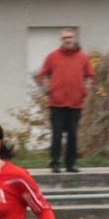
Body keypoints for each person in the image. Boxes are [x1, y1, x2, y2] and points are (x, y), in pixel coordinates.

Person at [37, 28, 95, 173]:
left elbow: (91, 76)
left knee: (73, 135)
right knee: (56, 134)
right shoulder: (52, 57)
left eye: (70, 37)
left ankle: (71, 163)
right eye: (65, 38)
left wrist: (84, 91)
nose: (68, 40)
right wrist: (48, 90)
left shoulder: (83, 58)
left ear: (74, 39)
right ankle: (55, 162)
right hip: (56, 103)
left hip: (75, 104)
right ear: (61, 40)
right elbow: (42, 75)